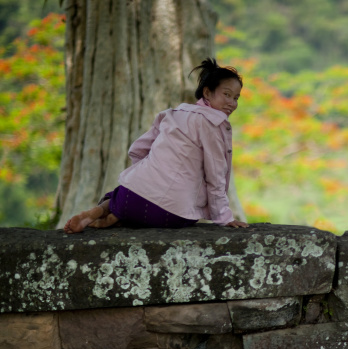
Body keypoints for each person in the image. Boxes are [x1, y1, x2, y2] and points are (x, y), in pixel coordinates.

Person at [64, 58, 249, 234]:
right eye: (227, 94)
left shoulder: (172, 113)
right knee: (187, 211)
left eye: (236, 98)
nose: (232, 103)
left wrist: (147, 175)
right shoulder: (213, 125)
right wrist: (224, 217)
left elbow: (137, 149)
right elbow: (215, 176)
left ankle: (104, 212)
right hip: (170, 214)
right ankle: (120, 216)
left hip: (129, 198)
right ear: (207, 93)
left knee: (120, 193)